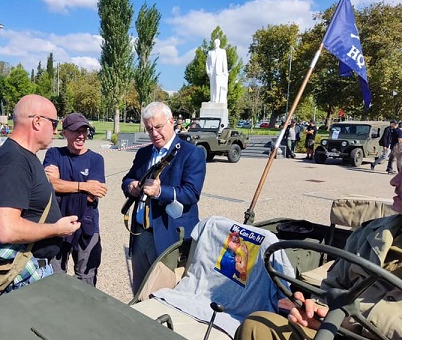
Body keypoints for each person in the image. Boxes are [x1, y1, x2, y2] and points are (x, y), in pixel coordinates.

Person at [237, 143, 402, 340]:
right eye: (398, 171)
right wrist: (316, 309)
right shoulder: (373, 232)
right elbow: (334, 286)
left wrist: (344, 322)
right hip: (338, 328)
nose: (394, 181)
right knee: (258, 326)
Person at [0, 94, 82, 293]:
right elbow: (7, 229)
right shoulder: (14, 161)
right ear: (37, 121)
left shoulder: (22, 155)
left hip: (29, 267)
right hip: (21, 274)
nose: (57, 131)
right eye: (54, 123)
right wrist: (56, 229)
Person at [121, 101, 207, 294]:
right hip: (141, 233)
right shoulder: (144, 153)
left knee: (164, 294)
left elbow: (191, 193)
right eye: (149, 129)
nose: (154, 133)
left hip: (169, 235)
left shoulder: (191, 153)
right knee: (139, 291)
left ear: (171, 122)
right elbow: (128, 178)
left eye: (158, 127)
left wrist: (161, 192)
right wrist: (131, 186)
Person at [43, 113, 108, 287]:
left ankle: (85, 312)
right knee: (55, 277)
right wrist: (83, 186)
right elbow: (51, 185)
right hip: (57, 223)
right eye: (75, 131)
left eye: (84, 131)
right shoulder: (54, 153)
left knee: (86, 277)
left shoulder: (96, 159)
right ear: (64, 132)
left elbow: (92, 194)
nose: (81, 135)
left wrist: (62, 185)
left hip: (86, 224)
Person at [206, 39, 229, 103]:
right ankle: (212, 99)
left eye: (217, 42)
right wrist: (208, 71)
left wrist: (225, 71)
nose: (216, 43)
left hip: (219, 72)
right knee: (212, 85)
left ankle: (217, 99)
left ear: (219, 43)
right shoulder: (210, 52)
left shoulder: (223, 51)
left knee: (218, 84)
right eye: (215, 42)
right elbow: (207, 62)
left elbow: (224, 62)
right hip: (212, 72)